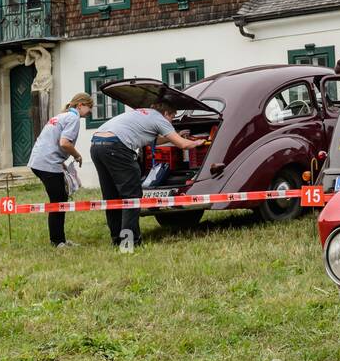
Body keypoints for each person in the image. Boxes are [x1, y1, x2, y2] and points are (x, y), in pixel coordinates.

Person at [91, 101, 207, 248]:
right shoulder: (160, 118)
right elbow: (183, 145)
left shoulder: (141, 112)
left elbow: (152, 139)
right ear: (166, 114)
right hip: (117, 148)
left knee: (111, 197)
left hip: (96, 145)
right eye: (172, 117)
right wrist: (199, 142)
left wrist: (176, 135)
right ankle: (130, 242)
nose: (172, 121)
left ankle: (116, 239)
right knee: (131, 197)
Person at [28, 93, 94, 248]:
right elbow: (64, 143)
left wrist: (61, 163)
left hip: (39, 160)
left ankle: (60, 239)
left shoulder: (61, 116)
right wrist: (77, 156)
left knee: (60, 199)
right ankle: (58, 241)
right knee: (58, 201)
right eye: (89, 107)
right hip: (47, 163)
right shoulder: (73, 118)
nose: (90, 112)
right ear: (80, 106)